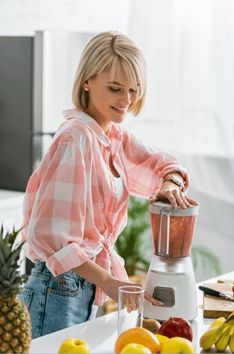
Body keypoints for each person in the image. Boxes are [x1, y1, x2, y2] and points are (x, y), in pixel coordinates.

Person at [20, 31, 198, 339]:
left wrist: (170, 183)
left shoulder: (114, 137)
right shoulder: (75, 139)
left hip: (84, 286)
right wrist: (110, 282)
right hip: (57, 288)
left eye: (133, 90)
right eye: (115, 88)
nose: (127, 101)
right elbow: (53, 240)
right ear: (87, 81)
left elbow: (163, 163)